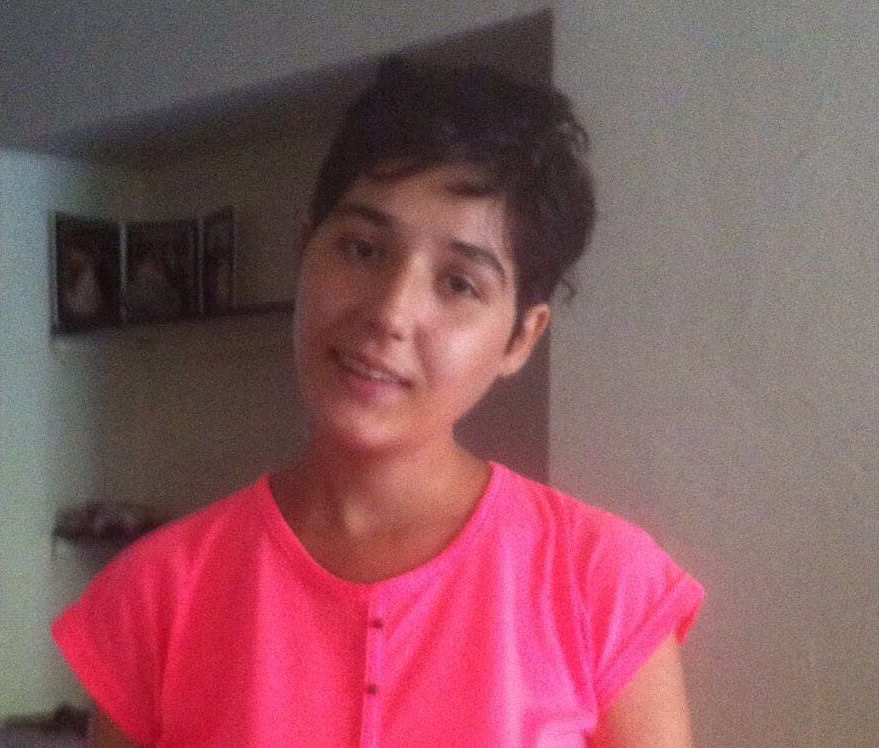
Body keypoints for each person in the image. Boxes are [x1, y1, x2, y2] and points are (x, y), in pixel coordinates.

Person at [54, 60, 704, 747]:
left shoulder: (601, 585)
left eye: (458, 283)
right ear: (304, 251)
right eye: (362, 249)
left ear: (520, 337)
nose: (390, 312)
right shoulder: (154, 597)